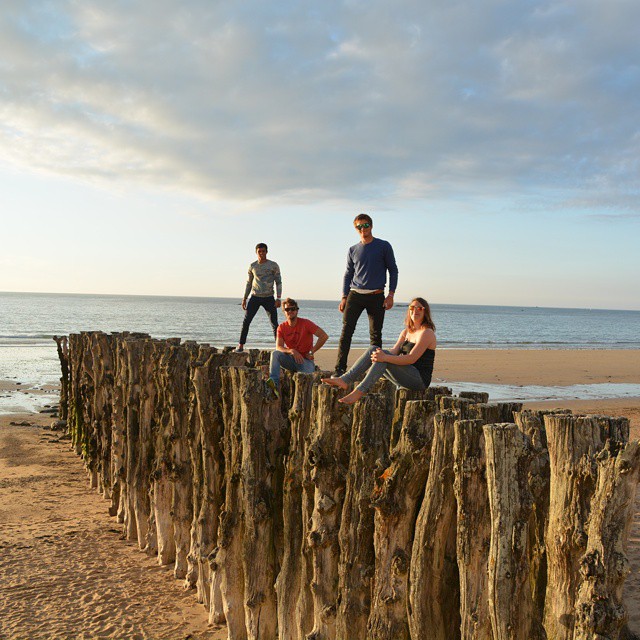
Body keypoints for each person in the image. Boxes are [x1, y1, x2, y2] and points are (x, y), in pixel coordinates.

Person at [322, 297, 436, 404]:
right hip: (404, 377)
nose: (415, 311)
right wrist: (379, 354)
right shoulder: (406, 332)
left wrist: (384, 357)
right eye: (412, 308)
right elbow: (393, 352)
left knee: (383, 357)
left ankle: (359, 392)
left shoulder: (427, 333)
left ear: (425, 312)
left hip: (419, 380)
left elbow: (411, 358)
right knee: (374, 349)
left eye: (419, 308)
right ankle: (344, 379)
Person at [334, 213, 398, 376]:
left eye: (365, 225)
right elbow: (348, 274)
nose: (363, 229)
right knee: (346, 332)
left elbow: (393, 270)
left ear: (371, 226)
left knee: (376, 336)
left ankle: (376, 372)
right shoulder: (352, 249)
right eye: (359, 226)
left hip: (376, 296)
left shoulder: (384, 246)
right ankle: (340, 368)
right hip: (355, 295)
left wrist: (390, 295)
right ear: (356, 229)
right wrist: (344, 296)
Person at [266, 298, 329, 396]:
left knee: (305, 384)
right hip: (291, 359)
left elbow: (324, 336)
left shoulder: (306, 323)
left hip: (306, 360)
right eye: (287, 310)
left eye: (293, 309)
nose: (290, 311)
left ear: (297, 310)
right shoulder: (282, 327)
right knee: (275, 354)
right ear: (284, 312)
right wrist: (292, 351)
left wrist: (312, 351)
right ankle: (274, 384)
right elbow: (278, 346)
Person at [236, 243, 282, 352]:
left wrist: (278, 298)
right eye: (259, 251)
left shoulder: (273, 265)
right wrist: (244, 298)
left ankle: (279, 347)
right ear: (256, 252)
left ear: (266, 252)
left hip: (269, 297)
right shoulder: (253, 266)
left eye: (263, 251)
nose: (261, 253)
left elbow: (278, 282)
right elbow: (249, 283)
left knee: (274, 324)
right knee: (246, 321)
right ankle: (241, 345)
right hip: (255, 297)